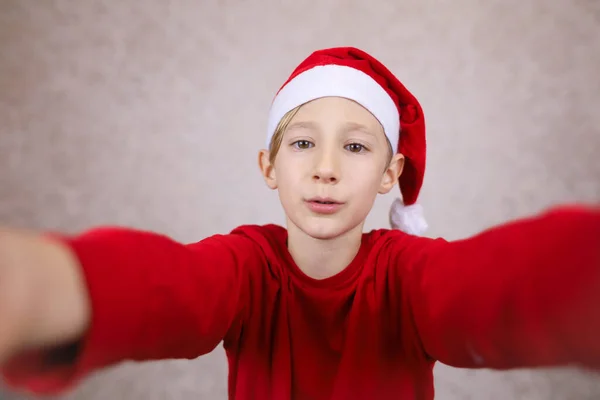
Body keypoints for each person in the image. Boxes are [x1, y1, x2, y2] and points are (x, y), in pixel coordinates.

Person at [0, 47, 598, 400]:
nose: (326, 170)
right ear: (269, 165)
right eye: (304, 143)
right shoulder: (245, 269)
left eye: (357, 149)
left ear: (391, 173)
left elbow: (497, 287)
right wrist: (31, 286)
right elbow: (162, 285)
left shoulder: (408, 275)